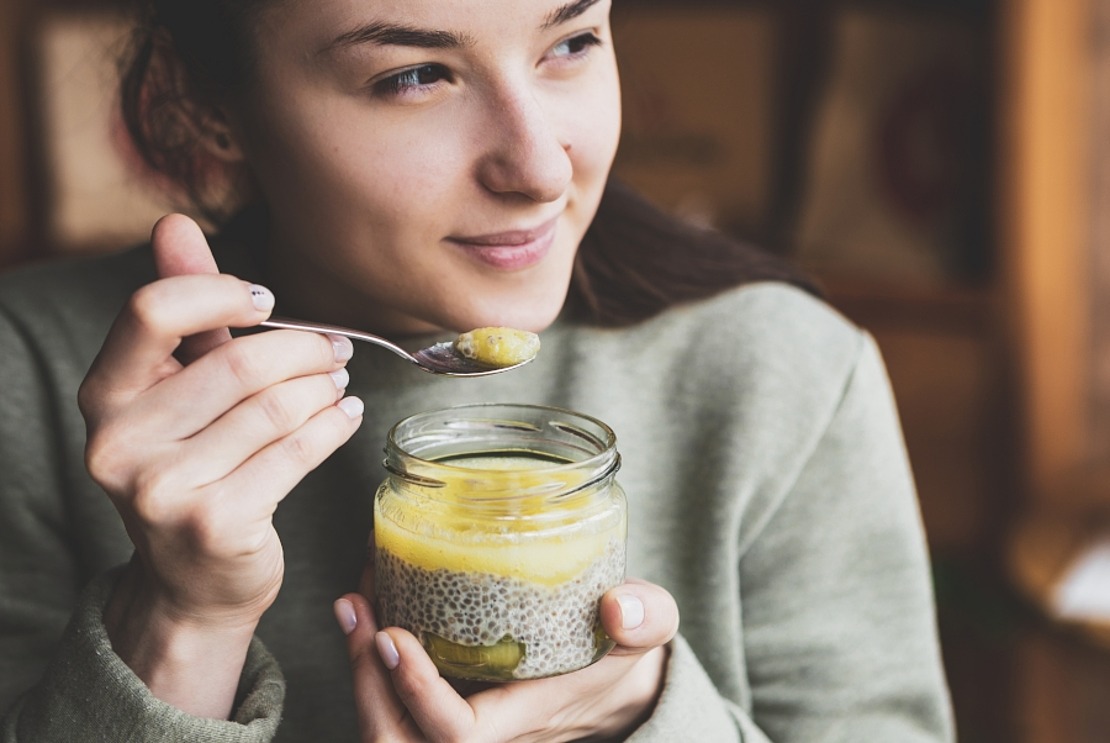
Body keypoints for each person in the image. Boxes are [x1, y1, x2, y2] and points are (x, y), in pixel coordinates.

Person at [0, 0, 955, 740]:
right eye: (415, 75)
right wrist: (179, 619)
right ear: (206, 106)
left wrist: (641, 714)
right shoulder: (37, 370)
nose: (540, 168)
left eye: (571, 42)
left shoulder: (783, 370)